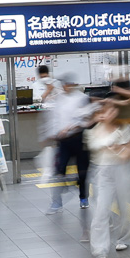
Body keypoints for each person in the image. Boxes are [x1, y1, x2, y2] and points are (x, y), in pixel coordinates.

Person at [86, 100, 130, 258]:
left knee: (125, 208)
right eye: (103, 112)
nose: (106, 115)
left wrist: (118, 149)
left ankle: (124, 239)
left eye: (109, 111)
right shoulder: (94, 131)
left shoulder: (124, 128)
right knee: (101, 210)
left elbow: (129, 152)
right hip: (103, 172)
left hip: (123, 170)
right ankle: (100, 249)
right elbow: (94, 147)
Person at [40, 78, 92, 212]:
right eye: (64, 85)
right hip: (63, 141)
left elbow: (86, 119)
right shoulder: (59, 99)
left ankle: (83, 197)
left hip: (79, 139)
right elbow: (54, 119)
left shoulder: (82, 98)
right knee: (59, 170)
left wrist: (72, 127)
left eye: (68, 85)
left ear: (74, 85)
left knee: (82, 171)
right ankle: (56, 202)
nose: (66, 87)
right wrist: (51, 134)